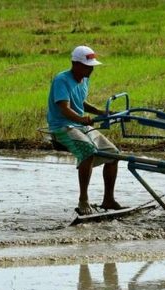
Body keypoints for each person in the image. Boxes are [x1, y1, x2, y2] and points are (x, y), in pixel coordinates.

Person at [47, 45, 124, 215]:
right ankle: (83, 200)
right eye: (88, 66)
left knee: (114, 154)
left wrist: (100, 112)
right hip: (62, 126)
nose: (91, 70)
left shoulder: (84, 79)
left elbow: (80, 101)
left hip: (80, 125)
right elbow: (64, 108)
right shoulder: (61, 80)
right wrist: (82, 119)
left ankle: (108, 199)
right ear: (75, 64)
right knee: (88, 151)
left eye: (92, 66)